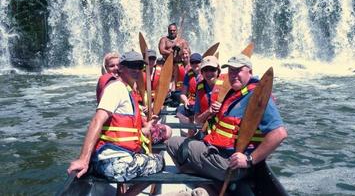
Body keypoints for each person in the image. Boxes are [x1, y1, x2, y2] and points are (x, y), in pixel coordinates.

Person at [165, 54, 287, 186]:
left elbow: (279, 134)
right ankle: (206, 181)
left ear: (250, 72)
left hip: (230, 164)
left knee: (172, 143)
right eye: (231, 71)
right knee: (186, 145)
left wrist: (249, 160)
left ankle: (202, 180)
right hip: (220, 152)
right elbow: (200, 121)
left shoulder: (257, 97)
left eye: (238, 70)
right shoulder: (236, 93)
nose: (233, 75)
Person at [67, 51, 164, 183]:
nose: (136, 70)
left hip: (117, 159)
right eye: (132, 66)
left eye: (139, 66)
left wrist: (146, 126)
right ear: (121, 68)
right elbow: (97, 120)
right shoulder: (116, 89)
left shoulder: (126, 90)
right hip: (113, 164)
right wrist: (84, 159)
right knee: (160, 161)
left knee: (148, 159)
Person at [193, 56, 225, 134]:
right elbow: (197, 120)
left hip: (222, 133)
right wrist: (209, 111)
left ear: (218, 71)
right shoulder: (200, 88)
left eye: (212, 69)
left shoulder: (227, 85)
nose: (209, 73)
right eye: (205, 70)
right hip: (206, 132)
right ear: (202, 72)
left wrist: (222, 109)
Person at [176, 53, 202, 136]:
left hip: (202, 105)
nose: (195, 64)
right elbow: (183, 93)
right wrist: (185, 100)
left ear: (201, 63)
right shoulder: (188, 75)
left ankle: (195, 128)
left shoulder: (206, 74)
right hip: (191, 104)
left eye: (197, 62)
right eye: (193, 63)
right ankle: (192, 127)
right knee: (179, 112)